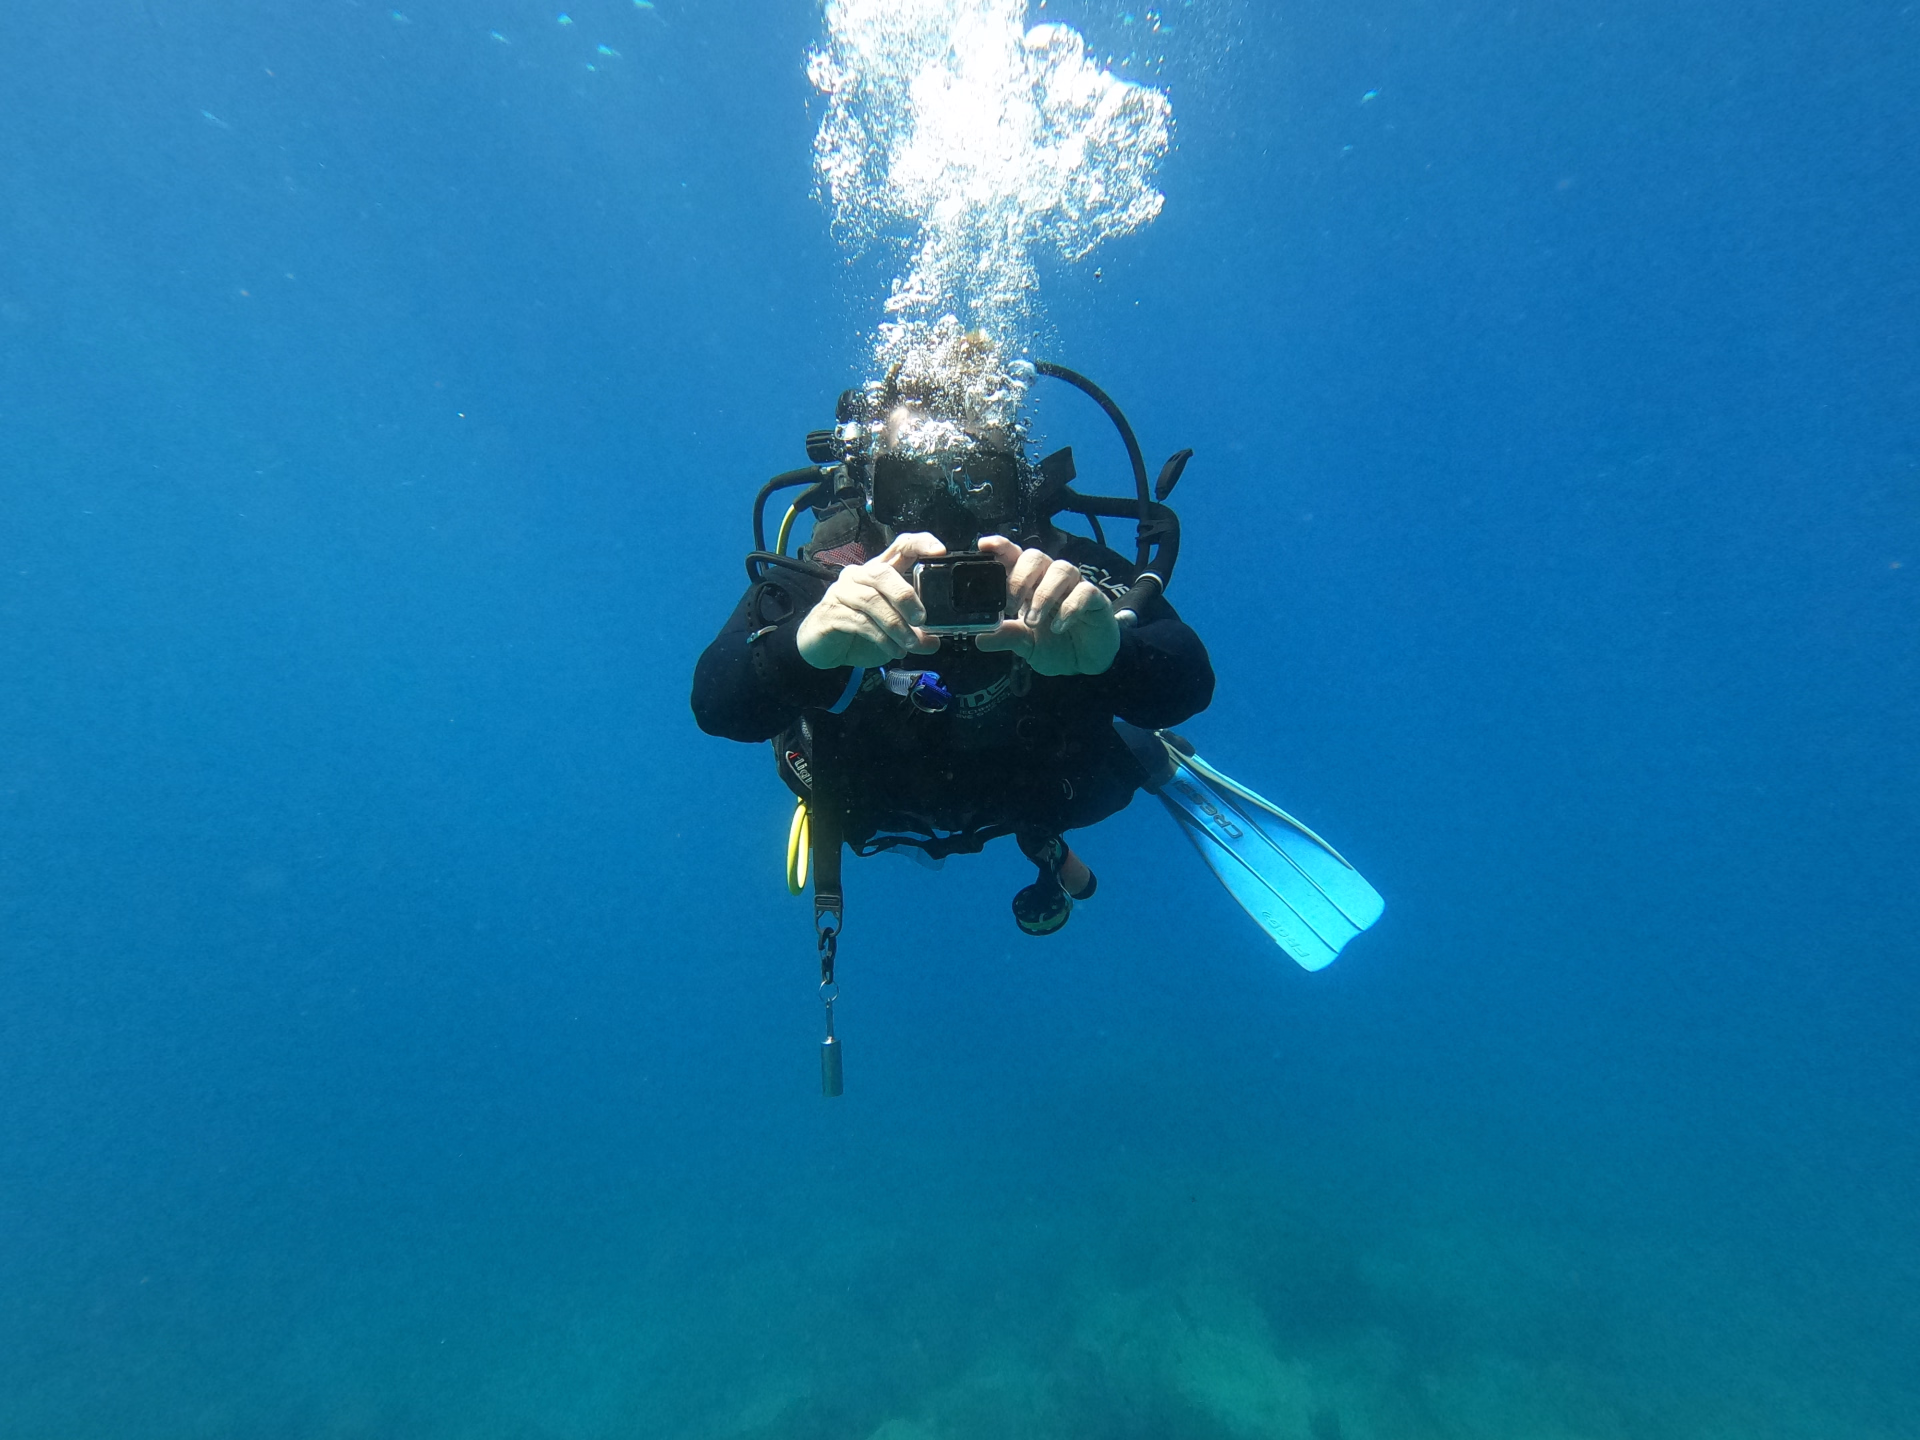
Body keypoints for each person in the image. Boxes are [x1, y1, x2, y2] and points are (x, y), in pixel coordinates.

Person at [691, 381, 1214, 934]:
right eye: (908, 485)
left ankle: (1073, 812)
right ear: (868, 488)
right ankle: (1050, 835)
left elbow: (1189, 678)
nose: (947, 514)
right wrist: (803, 646)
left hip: (1038, 783)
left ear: (1020, 487)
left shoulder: (1056, 567)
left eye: (981, 482)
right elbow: (716, 703)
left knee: (1121, 764)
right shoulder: (833, 571)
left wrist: (1115, 654)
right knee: (1112, 771)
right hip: (881, 792)